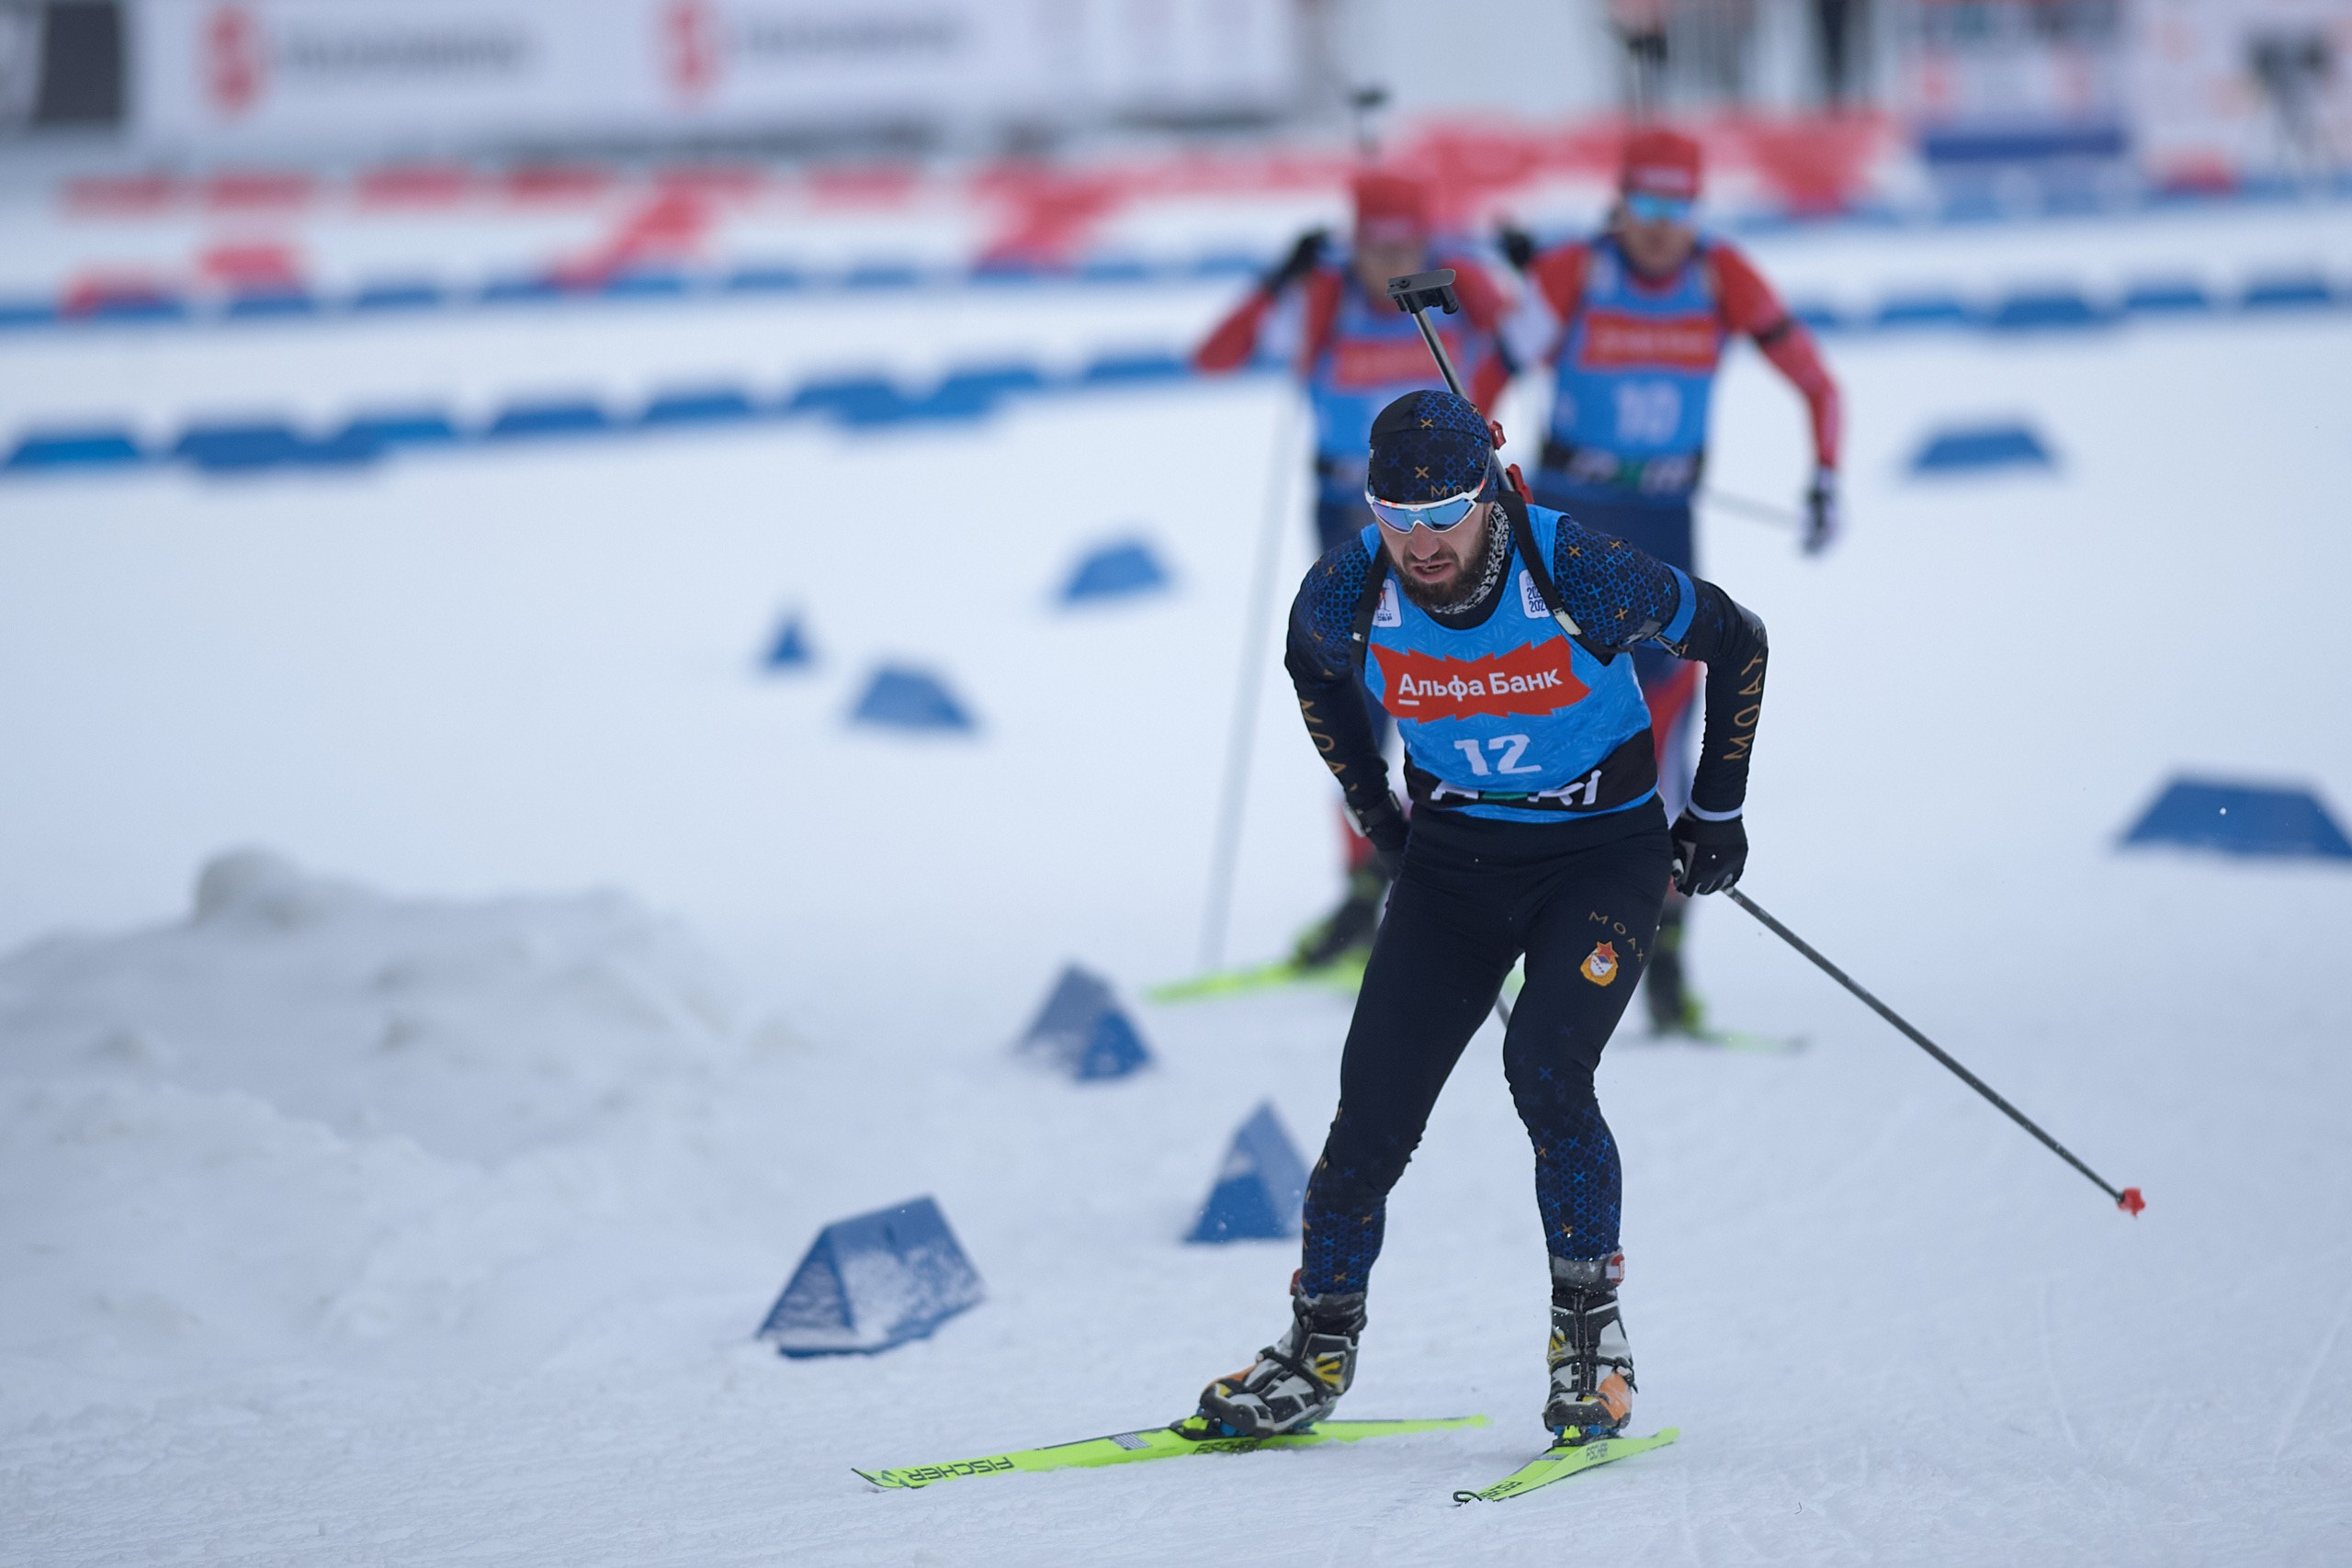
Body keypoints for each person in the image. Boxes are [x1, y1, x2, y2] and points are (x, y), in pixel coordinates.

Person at [1192, 389, 1768, 1444]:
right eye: (1394, 518)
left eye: (1445, 514)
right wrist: (1377, 811)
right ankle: (1314, 1350)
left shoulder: (1575, 570)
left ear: (1493, 496)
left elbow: (1736, 642)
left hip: (1602, 854)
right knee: (1369, 1111)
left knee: (1546, 1065)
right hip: (1457, 865)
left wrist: (1715, 813)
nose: (1419, 543)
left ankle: (1590, 1341)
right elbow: (1311, 673)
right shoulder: (1347, 588)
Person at [1498, 126, 1837, 1037]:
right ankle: (1533, 941)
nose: (1659, 228)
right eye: (1643, 208)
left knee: (1665, 743)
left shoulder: (1721, 275)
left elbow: (1816, 382)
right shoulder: (1573, 270)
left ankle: (1665, 959)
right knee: (1550, 728)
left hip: (1662, 529)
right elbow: (1482, 376)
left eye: (1676, 209)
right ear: (1619, 205)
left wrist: (1826, 476)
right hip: (1565, 526)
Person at [1194, 170, 1516, 968]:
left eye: (1406, 244)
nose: (1390, 261)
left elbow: (1536, 339)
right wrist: (1277, 279)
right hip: (1348, 520)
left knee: (1461, 700)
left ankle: (1480, 893)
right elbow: (1212, 356)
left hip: (1453, 528)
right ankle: (1364, 890)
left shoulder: (1456, 286)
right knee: (1360, 705)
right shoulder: (1321, 299)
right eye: (1376, 247)